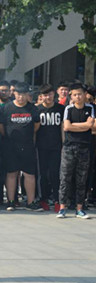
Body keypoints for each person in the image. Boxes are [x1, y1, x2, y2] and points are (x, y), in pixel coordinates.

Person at [0, 82, 41, 211]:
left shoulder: (32, 109)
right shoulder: (7, 108)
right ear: (14, 93)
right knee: (11, 173)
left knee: (29, 174)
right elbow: (0, 125)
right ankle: (10, 201)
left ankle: (30, 202)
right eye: (18, 94)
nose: (20, 97)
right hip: (11, 146)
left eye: (23, 94)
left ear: (28, 95)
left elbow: (37, 125)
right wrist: (9, 136)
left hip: (28, 146)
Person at [57, 83, 95, 219]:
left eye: (80, 94)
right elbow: (67, 127)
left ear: (85, 95)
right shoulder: (68, 109)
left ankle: (80, 207)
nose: (78, 97)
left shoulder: (90, 108)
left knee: (82, 179)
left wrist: (78, 126)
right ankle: (62, 207)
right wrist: (84, 125)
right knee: (65, 178)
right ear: (71, 96)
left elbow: (92, 125)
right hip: (69, 147)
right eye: (75, 94)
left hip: (84, 147)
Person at [36, 84, 65, 210]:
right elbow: (34, 130)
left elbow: (63, 128)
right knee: (43, 174)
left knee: (55, 174)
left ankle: (57, 199)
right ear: (41, 96)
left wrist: (64, 144)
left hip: (56, 146)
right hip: (41, 147)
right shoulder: (37, 109)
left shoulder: (61, 108)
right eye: (45, 95)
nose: (48, 97)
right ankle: (43, 199)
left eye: (50, 94)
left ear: (54, 94)